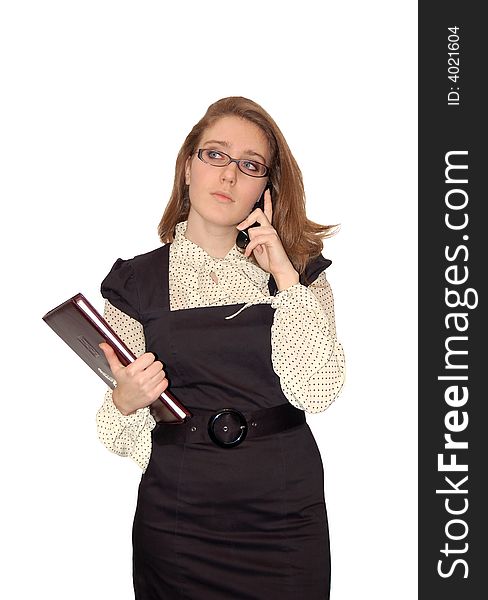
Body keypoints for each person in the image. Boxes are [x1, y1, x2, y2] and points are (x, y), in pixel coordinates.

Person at [96, 96, 345, 600]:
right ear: (188, 166)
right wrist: (125, 403)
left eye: (249, 165)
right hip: (179, 521)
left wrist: (283, 276)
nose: (229, 176)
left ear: (266, 188)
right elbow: (116, 427)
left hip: (283, 517)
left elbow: (316, 390)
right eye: (215, 155)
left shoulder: (299, 276)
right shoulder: (135, 283)